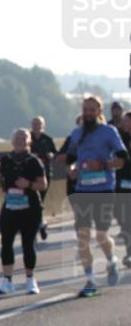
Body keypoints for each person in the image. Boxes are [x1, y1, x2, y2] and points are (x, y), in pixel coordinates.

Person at [64, 96, 128, 297]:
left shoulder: (109, 132)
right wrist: (71, 169)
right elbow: (71, 159)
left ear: (99, 112)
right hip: (83, 190)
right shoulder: (77, 133)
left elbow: (122, 159)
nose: (88, 113)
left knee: (101, 235)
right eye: (85, 109)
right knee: (83, 237)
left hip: (104, 189)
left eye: (92, 110)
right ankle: (90, 280)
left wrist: (103, 165)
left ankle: (111, 260)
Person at [0, 129, 47, 295]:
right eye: (17, 138)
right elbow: (0, 177)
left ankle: (30, 279)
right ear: (12, 141)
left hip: (30, 208)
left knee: (28, 244)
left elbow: (43, 184)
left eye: (24, 138)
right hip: (10, 207)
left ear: (29, 141)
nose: (20, 140)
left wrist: (28, 184)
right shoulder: (6, 160)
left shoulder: (34, 161)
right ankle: (7, 280)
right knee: (6, 243)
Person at [30, 116, 57, 240]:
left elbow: (55, 154)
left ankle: (39, 224)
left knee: (39, 201)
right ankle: (37, 225)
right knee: (33, 201)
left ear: (43, 126)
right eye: (34, 124)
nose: (36, 126)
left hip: (44, 174)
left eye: (39, 124)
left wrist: (50, 155)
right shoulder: (27, 138)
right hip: (30, 175)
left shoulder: (48, 140)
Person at [116, 114, 131, 268]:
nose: (124, 123)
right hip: (123, 185)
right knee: (125, 222)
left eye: (127, 121)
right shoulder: (119, 139)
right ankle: (129, 252)